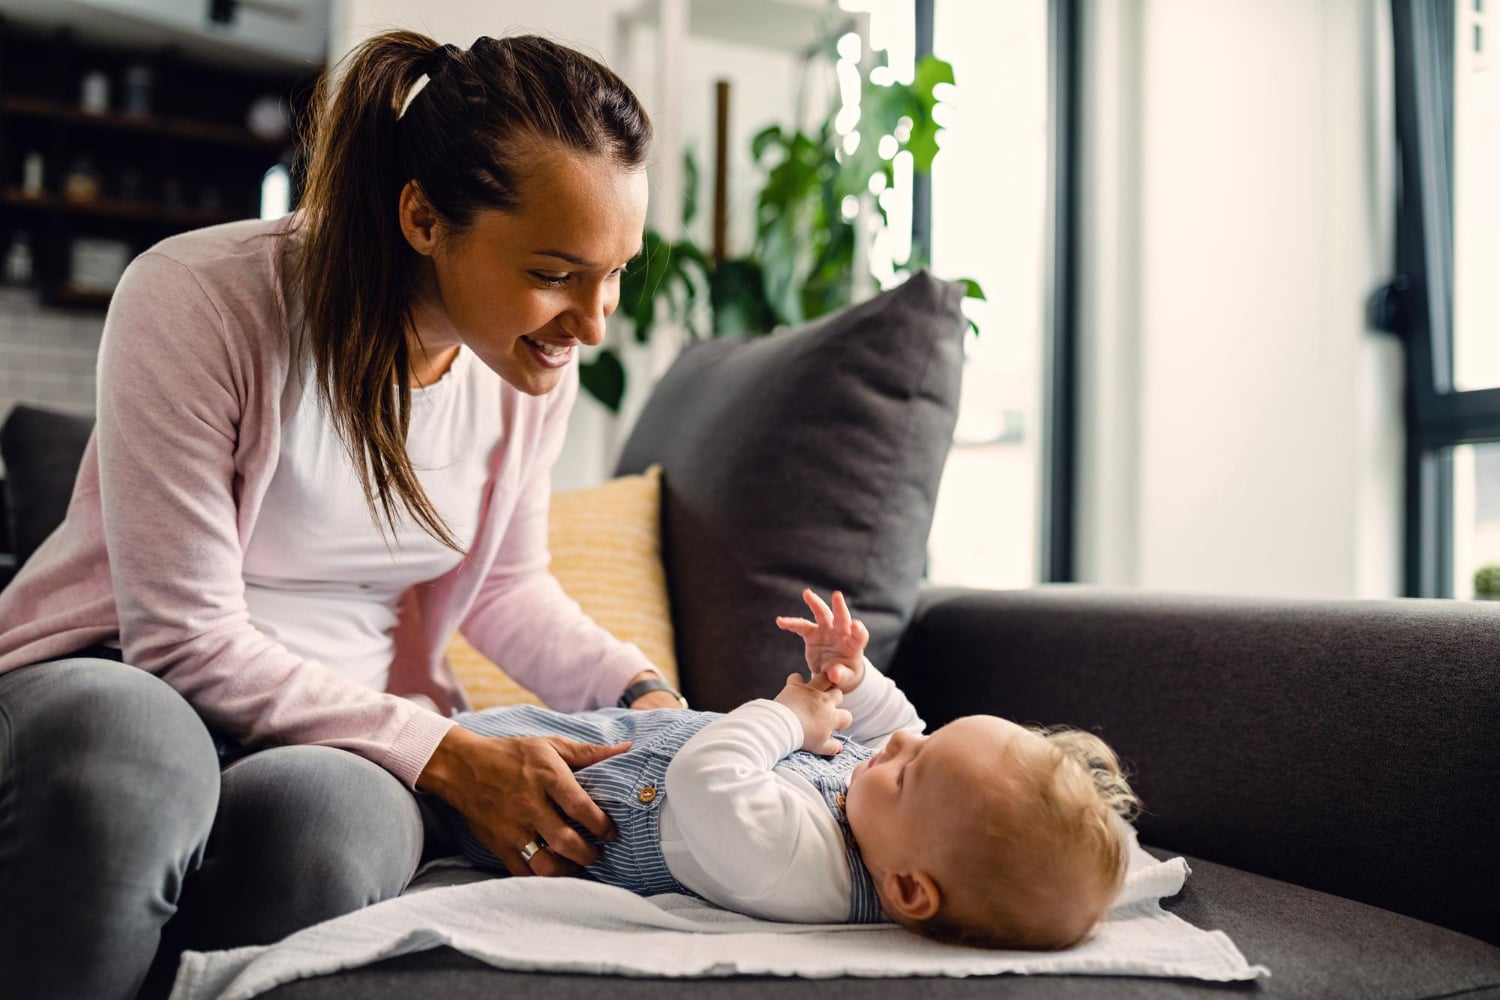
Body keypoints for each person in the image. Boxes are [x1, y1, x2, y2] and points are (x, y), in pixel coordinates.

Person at [0, 31, 684, 1000]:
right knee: (132, 765)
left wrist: (645, 692)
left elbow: (504, 587)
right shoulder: (202, 299)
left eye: (616, 272)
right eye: (557, 271)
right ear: (422, 217)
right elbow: (180, 640)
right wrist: (448, 752)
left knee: (331, 831)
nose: (594, 320)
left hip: (344, 726)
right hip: (120, 674)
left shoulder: (528, 367)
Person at [441, 589, 1142, 950]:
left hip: (539, 795)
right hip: (617, 732)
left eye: (909, 772)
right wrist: (852, 675)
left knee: (445, 747)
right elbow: (899, 725)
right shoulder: (901, 821)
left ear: (908, 890)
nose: (898, 749)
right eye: (929, 744)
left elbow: (703, 777)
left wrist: (791, 714)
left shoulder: (800, 866)